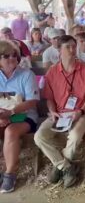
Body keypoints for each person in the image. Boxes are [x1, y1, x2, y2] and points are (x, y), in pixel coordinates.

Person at [34, 35, 85, 188]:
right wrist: (52, 111)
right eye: (68, 47)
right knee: (39, 136)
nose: (72, 49)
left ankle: (59, 166)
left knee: (75, 136)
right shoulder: (52, 72)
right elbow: (49, 98)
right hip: (59, 114)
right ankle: (67, 167)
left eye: (73, 46)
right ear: (59, 51)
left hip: (80, 113)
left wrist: (81, 111)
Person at [0, 41, 39, 193]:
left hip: (25, 117)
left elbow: (33, 101)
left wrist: (10, 113)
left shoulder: (27, 74)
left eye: (15, 55)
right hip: (2, 117)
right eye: (6, 56)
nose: (12, 58)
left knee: (11, 131)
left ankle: (10, 174)